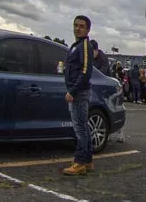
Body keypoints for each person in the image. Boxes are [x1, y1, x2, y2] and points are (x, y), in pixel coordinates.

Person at [62, 15, 94, 175]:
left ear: (87, 29)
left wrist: (73, 90)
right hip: (76, 90)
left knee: (80, 128)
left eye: (81, 26)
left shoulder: (85, 46)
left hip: (79, 92)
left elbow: (86, 71)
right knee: (83, 127)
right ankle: (87, 160)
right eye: (75, 25)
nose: (77, 28)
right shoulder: (76, 45)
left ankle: (79, 162)